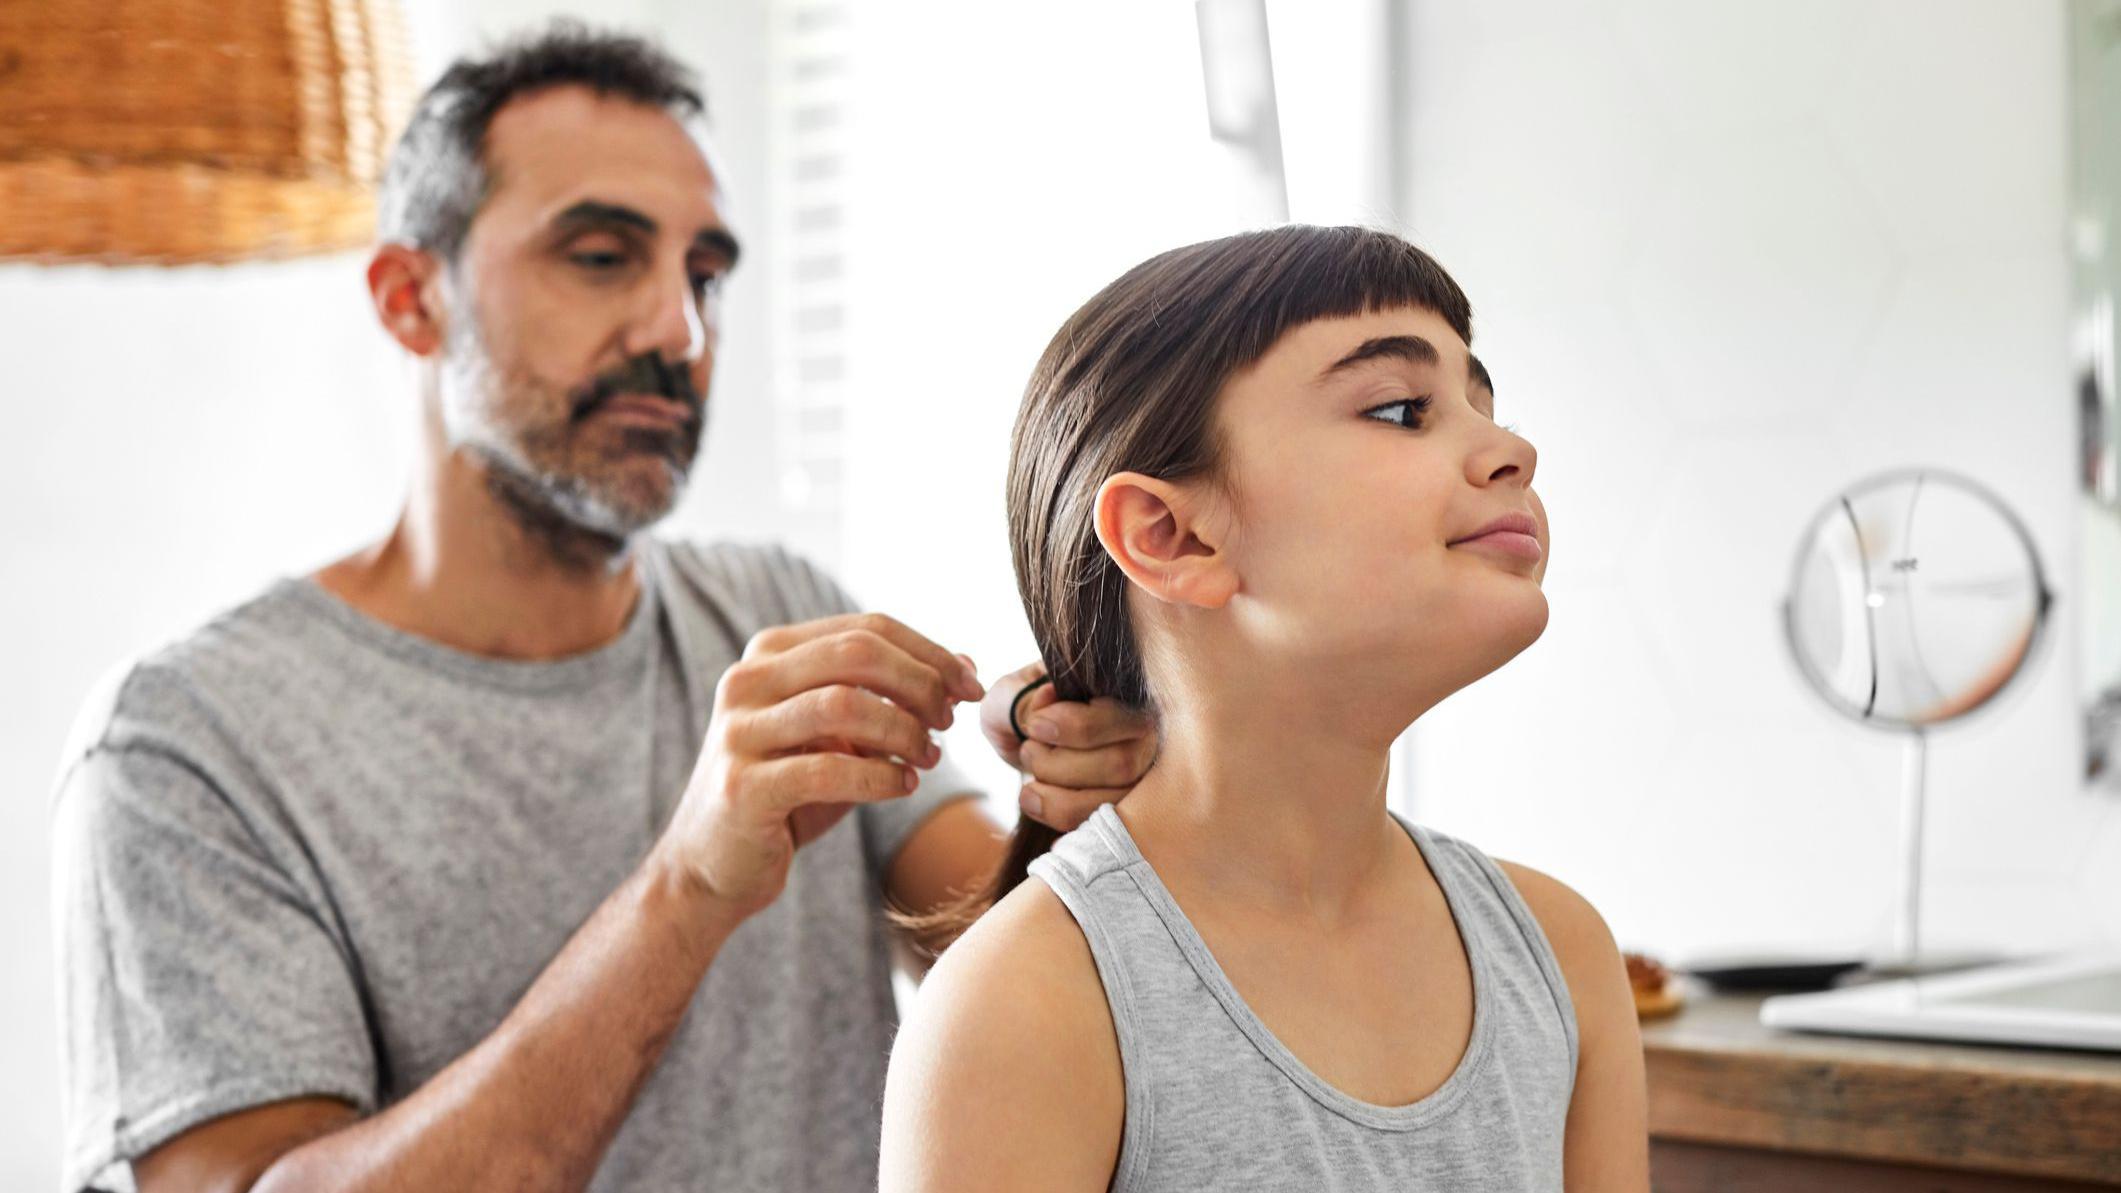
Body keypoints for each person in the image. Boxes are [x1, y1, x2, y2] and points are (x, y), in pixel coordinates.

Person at [49, 24, 1154, 1193]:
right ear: (411, 300)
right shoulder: (186, 743)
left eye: (705, 274)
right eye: (598, 256)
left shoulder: (777, 610)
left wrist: (1077, 807)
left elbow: (997, 962)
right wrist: (685, 888)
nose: (679, 330)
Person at [879, 226, 1650, 1190]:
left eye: (1482, 402)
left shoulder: (1559, 956)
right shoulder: (1025, 1004)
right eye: (1405, 409)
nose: (1511, 449)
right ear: (1170, 535)